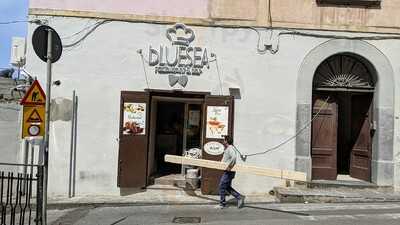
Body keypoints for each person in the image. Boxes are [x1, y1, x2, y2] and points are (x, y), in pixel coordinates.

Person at [215, 136, 245, 209]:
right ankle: (239, 197)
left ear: (226, 141)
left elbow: (234, 157)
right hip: (228, 171)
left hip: (229, 171)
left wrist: (229, 166)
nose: (223, 141)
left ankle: (222, 204)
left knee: (221, 186)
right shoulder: (229, 148)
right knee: (227, 187)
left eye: (224, 140)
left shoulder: (230, 148)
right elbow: (228, 158)